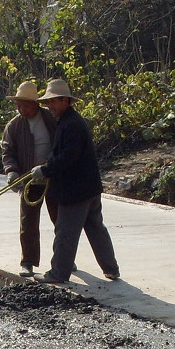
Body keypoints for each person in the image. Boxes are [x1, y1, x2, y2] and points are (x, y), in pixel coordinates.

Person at [29, 79, 120, 284]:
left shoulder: (71, 124)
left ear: (65, 101)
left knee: (66, 232)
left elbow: (68, 157)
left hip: (75, 190)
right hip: (89, 188)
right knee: (96, 228)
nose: (49, 107)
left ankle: (59, 273)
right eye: (48, 103)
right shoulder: (69, 121)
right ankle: (111, 268)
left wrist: (44, 170)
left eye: (52, 102)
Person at [1, 80, 60, 276]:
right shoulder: (14, 126)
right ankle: (28, 261)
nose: (21, 109)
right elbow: (7, 151)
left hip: (52, 178)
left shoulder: (51, 120)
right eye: (18, 105)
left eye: (25, 105)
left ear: (35, 104)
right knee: (28, 223)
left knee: (60, 221)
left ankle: (63, 258)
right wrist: (11, 171)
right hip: (29, 181)